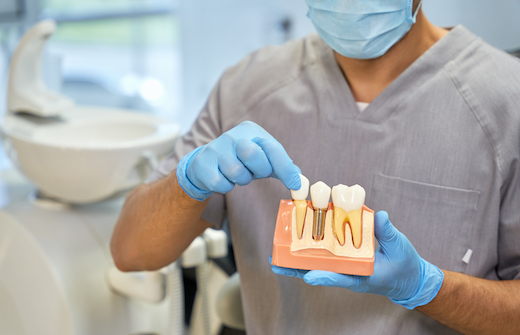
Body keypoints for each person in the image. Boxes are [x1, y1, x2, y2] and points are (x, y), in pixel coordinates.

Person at [110, 0, 520, 333]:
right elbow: (131, 252)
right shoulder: (246, 87)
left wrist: (428, 288)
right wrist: (187, 183)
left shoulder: (506, 101)